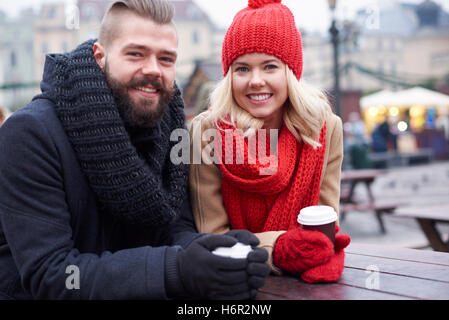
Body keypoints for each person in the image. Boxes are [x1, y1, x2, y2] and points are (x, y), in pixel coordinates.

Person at [0, 0, 269, 300]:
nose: (153, 69)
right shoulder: (30, 135)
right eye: (136, 54)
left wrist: (214, 252)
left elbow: (171, 229)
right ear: (100, 57)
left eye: (166, 59)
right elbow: (54, 275)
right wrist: (177, 269)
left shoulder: (167, 125)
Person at [189, 0, 350, 284]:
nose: (256, 80)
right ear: (229, 76)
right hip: (235, 283)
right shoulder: (206, 131)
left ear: (290, 72)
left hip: (304, 282)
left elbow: (325, 223)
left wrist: (319, 247)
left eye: (270, 66)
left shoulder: (326, 129)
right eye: (242, 69)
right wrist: (280, 249)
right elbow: (213, 238)